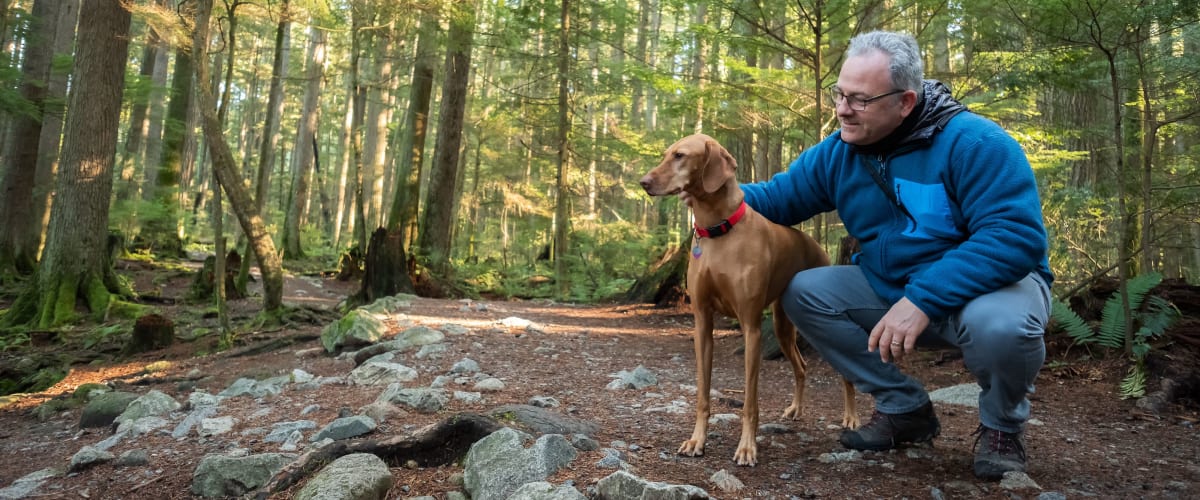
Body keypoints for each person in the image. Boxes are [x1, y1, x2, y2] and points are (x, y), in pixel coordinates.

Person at [739, 30, 1054, 480]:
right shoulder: (839, 152)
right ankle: (904, 408)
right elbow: (775, 198)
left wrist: (923, 299)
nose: (842, 109)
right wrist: (705, 185)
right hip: (892, 285)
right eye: (840, 94)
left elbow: (1015, 238)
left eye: (860, 100)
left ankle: (1001, 427)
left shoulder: (976, 143)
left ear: (905, 102)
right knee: (805, 290)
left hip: (989, 291)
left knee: (1001, 326)